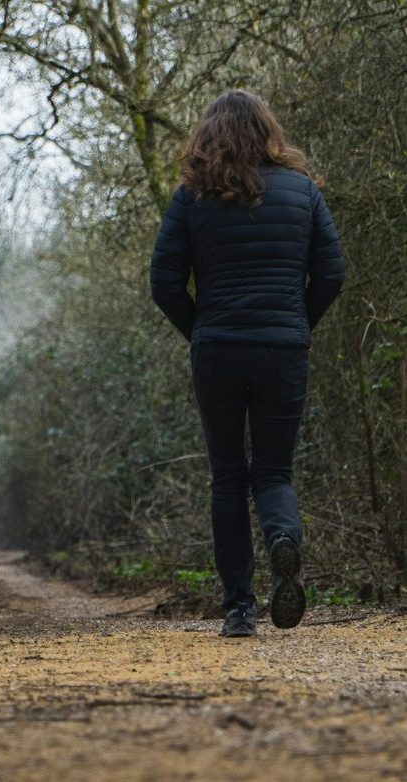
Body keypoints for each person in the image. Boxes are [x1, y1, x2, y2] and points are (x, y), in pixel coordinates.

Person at [150, 90, 345, 637]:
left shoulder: (192, 198)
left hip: (218, 349)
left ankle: (239, 608)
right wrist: (296, 325)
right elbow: (332, 273)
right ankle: (283, 539)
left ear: (208, 135)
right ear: (267, 132)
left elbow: (164, 282)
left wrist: (201, 330)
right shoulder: (303, 192)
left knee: (228, 476)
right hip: (282, 350)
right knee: (274, 471)